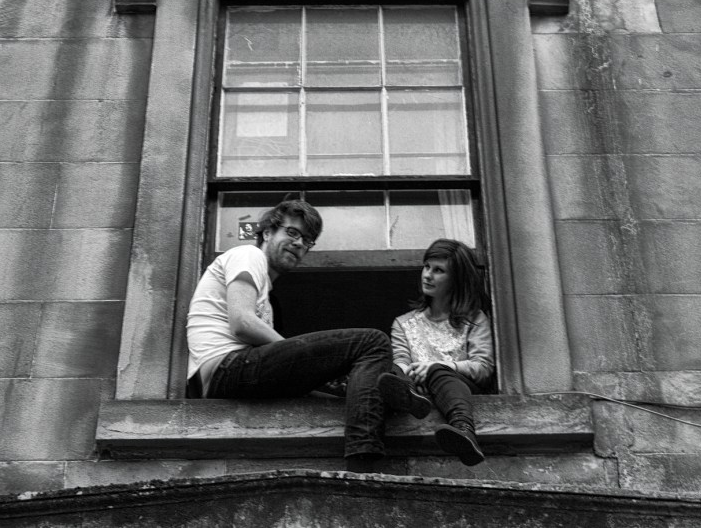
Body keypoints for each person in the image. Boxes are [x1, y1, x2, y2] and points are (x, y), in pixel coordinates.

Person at [186, 199, 392, 473]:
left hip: (229, 375)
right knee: (372, 343)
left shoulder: (268, 298)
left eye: (307, 241)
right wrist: (297, 351)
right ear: (268, 233)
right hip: (226, 367)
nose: (299, 244)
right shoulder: (249, 254)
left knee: (345, 391)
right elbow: (241, 322)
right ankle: (364, 461)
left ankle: (391, 394)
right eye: (292, 233)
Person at [377, 238, 494, 466]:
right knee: (391, 370)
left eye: (438, 270)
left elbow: (484, 368)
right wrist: (401, 373)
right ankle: (410, 398)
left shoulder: (475, 319)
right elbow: (401, 358)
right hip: (418, 387)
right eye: (427, 267)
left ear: (456, 280)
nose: (427, 275)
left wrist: (441, 366)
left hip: (458, 388)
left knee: (438, 371)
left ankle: (464, 431)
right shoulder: (403, 323)